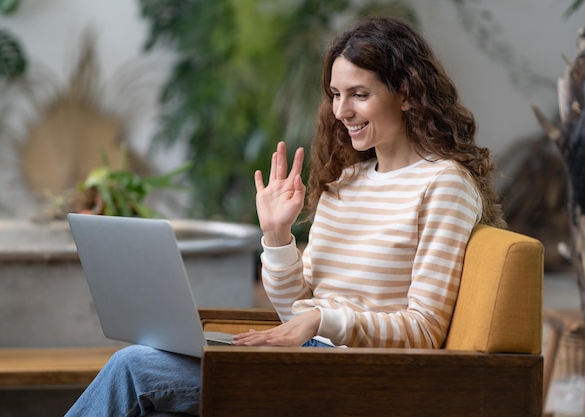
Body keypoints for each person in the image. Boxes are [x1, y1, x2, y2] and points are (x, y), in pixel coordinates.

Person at [64, 16, 505, 416]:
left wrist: (321, 320)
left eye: (359, 94)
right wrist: (276, 236)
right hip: (309, 356)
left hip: (359, 376)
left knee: (134, 368)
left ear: (407, 94)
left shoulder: (443, 184)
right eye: (335, 94)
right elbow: (294, 308)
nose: (341, 111)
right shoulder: (347, 179)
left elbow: (424, 329)